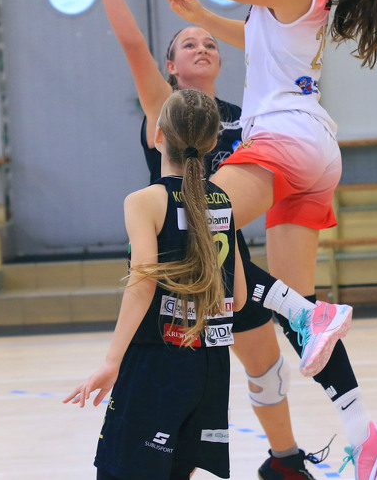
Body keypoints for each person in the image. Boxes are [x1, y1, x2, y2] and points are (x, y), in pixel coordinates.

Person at [60, 0, 349, 479]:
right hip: (178, 266)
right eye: (188, 43)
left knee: (263, 367)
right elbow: (132, 43)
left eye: (210, 42)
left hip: (228, 264)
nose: (202, 46)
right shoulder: (164, 107)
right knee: (175, 394)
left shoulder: (246, 120)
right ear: (171, 66)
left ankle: (285, 460)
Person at [161, 0, 377, 480]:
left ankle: (307, 314)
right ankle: (365, 434)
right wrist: (203, 15)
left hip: (286, 139)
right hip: (313, 149)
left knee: (197, 217)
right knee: (295, 313)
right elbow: (257, 40)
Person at [64, 89, 247, 479]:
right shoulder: (222, 200)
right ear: (213, 142)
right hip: (210, 367)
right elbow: (240, 295)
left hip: (157, 363)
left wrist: (112, 361)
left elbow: (143, 283)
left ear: (158, 134)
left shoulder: (144, 201)